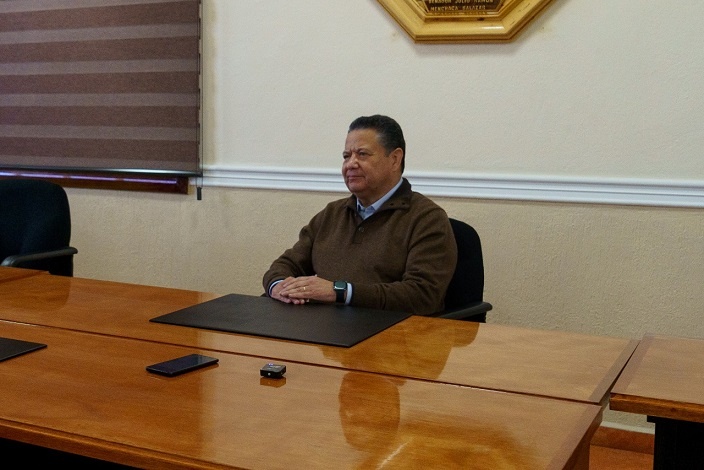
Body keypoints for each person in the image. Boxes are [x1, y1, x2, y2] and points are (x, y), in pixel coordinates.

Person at [262, 115, 457, 315]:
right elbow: (286, 265)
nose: (350, 164)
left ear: (395, 159)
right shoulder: (332, 213)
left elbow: (423, 296)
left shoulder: (427, 218)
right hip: (323, 327)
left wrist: (340, 292)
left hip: (390, 330)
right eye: (346, 156)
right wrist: (279, 287)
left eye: (362, 154)